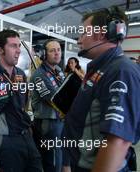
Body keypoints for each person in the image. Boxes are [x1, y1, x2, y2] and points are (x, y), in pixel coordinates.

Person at [62, 6, 140, 172]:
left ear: (100, 34)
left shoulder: (121, 71)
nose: (79, 39)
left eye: (84, 33)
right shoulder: (100, 69)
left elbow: (118, 141)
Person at [0, 29, 42, 172]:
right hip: (6, 141)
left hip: (27, 136)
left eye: (19, 46)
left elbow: (25, 102)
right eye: (13, 46)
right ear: (0, 50)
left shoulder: (21, 74)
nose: (18, 51)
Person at [30, 40, 65, 172]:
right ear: (44, 54)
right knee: (53, 161)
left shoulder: (59, 71)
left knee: (60, 156)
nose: (57, 53)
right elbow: (53, 99)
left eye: (58, 50)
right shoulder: (39, 76)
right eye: (52, 50)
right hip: (48, 123)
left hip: (60, 120)